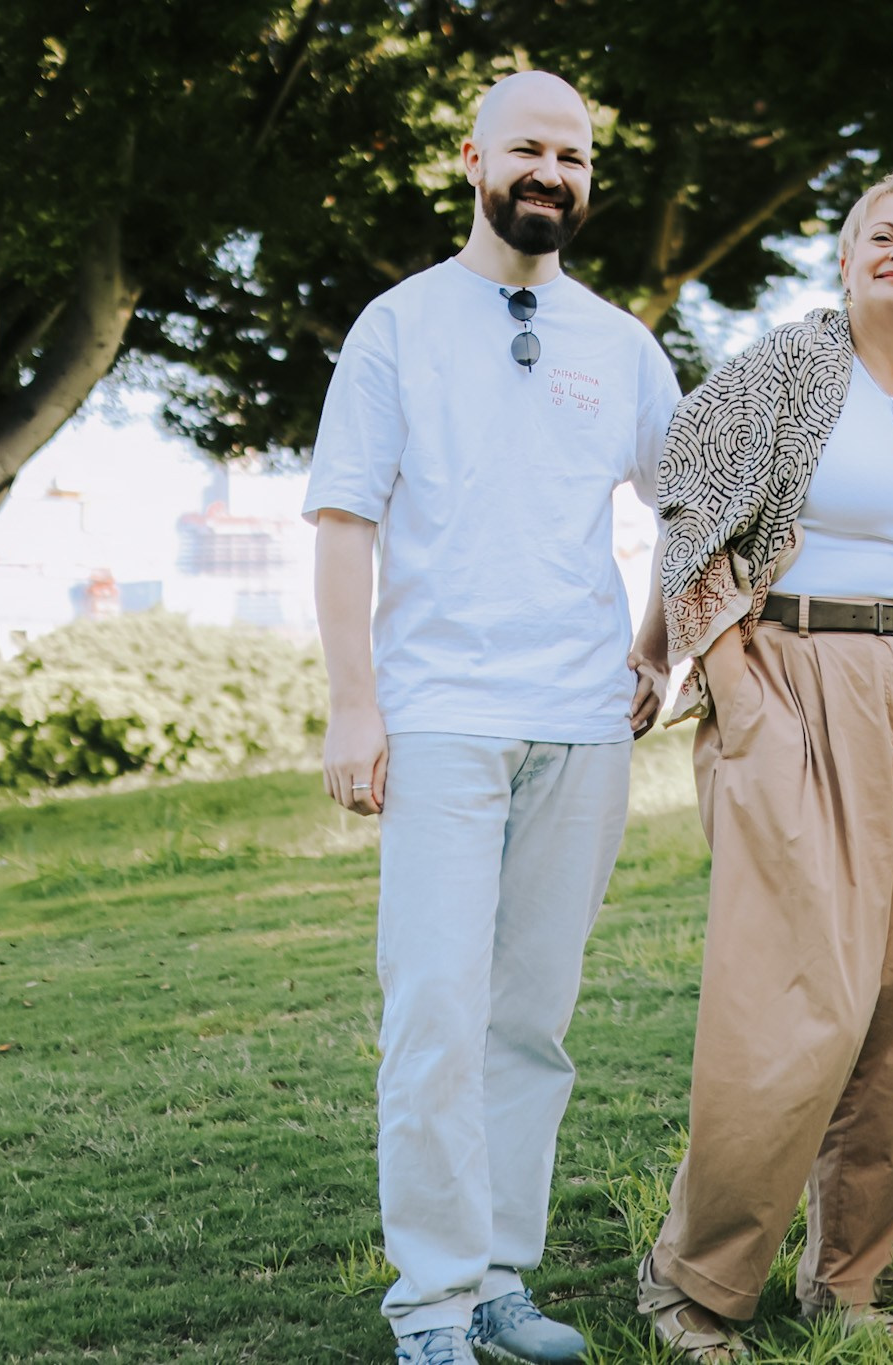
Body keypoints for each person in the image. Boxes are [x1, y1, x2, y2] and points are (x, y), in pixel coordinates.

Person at [306, 72, 680, 1365]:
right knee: (433, 1013)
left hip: (582, 720)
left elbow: (687, 504)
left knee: (532, 1019)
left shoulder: (618, 344)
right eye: (530, 147)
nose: (553, 172)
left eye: (573, 155)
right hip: (442, 717)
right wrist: (356, 707)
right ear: (473, 158)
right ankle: (429, 1302)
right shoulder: (399, 327)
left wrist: (652, 648)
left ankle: (497, 1279)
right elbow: (345, 517)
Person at [636, 170, 893, 1361]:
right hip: (792, 671)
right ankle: (694, 1284)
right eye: (879, 236)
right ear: (843, 260)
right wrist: (734, 683)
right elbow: (685, 504)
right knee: (793, 999)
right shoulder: (785, 369)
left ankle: (851, 1279)